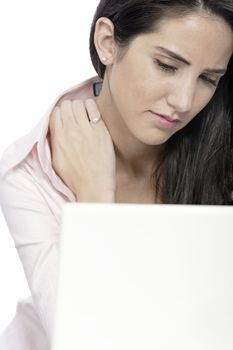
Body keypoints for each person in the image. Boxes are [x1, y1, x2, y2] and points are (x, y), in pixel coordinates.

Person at [0, 0, 232, 349]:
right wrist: (95, 199)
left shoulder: (220, 150)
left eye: (207, 79)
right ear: (107, 42)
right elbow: (86, 339)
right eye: (166, 65)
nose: (184, 102)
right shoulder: (29, 172)